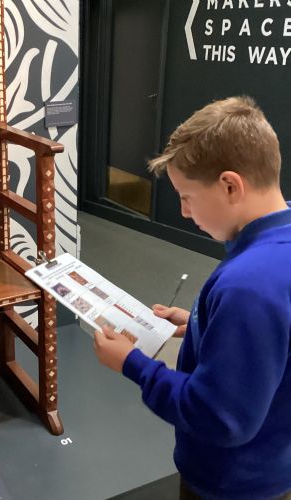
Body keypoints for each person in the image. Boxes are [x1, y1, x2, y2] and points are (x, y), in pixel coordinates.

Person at [94, 96, 291, 500]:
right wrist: (204, 326)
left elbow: (220, 418)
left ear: (230, 186)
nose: (184, 212)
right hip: (274, 463)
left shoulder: (247, 286)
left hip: (231, 485)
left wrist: (134, 365)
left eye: (186, 196)